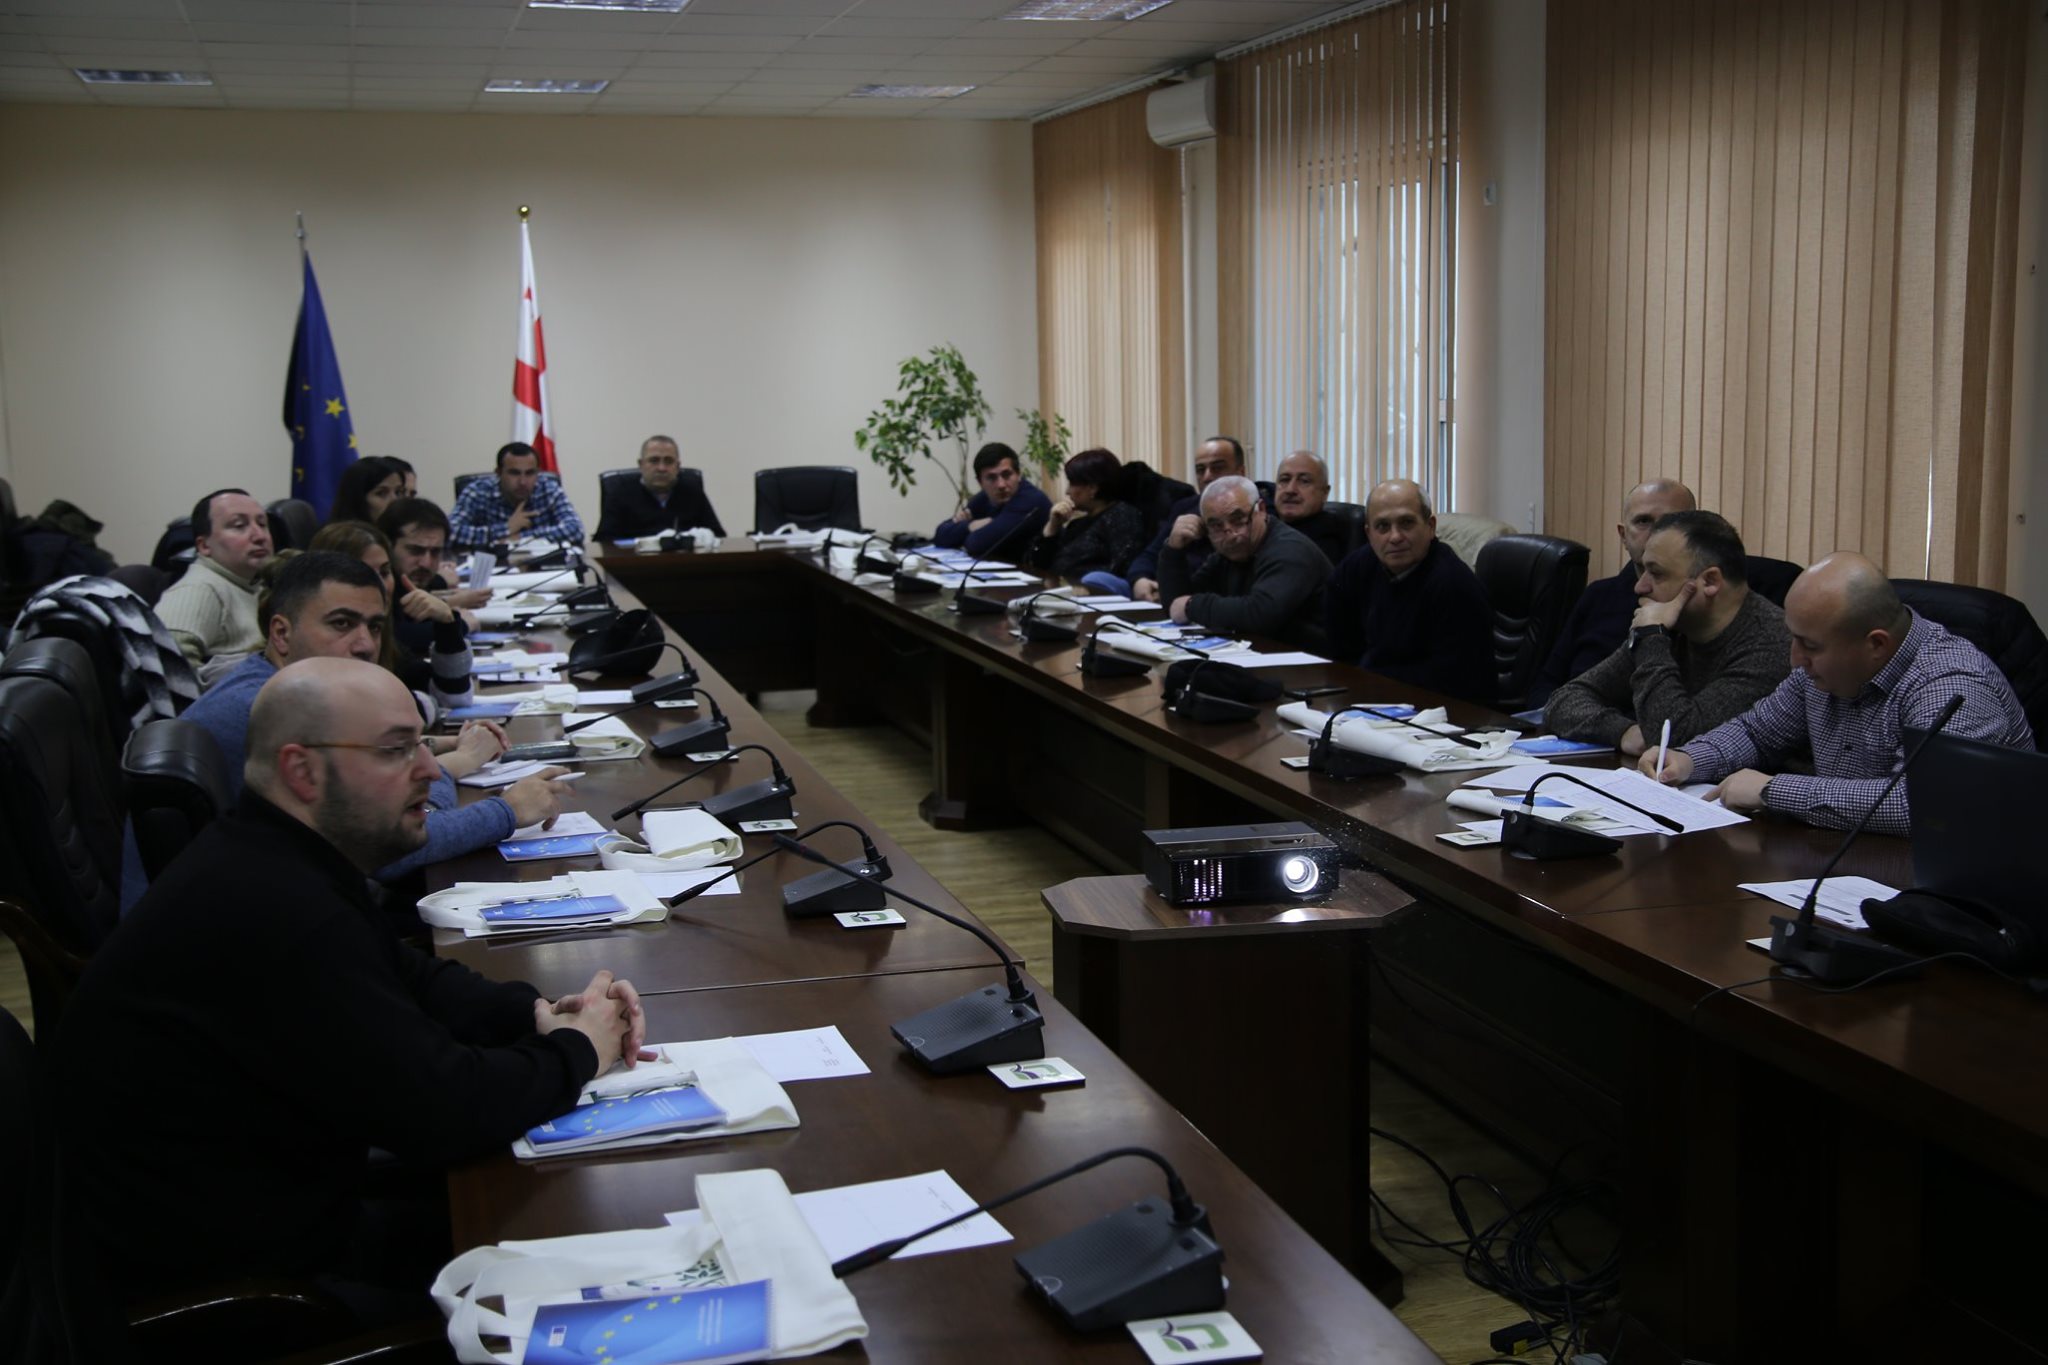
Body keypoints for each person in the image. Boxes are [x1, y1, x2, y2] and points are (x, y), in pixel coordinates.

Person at [55, 656, 643, 1316]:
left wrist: (535, 1011)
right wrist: (578, 1050)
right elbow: (446, 1110)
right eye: (397, 750)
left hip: (284, 1205)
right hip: (252, 1298)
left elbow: (407, 973)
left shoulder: (273, 851)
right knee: (596, 1263)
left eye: (422, 743)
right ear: (302, 771)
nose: (431, 769)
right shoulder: (279, 914)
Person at [181, 552, 566, 884]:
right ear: (281, 633)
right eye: (342, 624)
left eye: (375, 626)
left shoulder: (282, 685)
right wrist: (507, 811)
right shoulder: (270, 710)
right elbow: (390, 846)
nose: (366, 644)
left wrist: (438, 758)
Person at [1642, 553, 2033, 832]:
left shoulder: (1949, 686)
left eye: (1809, 646)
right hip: (1845, 863)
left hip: (1955, 889)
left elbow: (1921, 805)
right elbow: (1757, 731)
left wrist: (1773, 790)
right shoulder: (1822, 668)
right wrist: (1690, 759)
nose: (1796, 660)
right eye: (1795, 639)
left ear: (1876, 644)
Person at [1545, 511, 1790, 755]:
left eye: (1657, 573)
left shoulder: (1772, 644)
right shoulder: (1671, 626)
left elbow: (1676, 742)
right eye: (1642, 570)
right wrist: (1622, 731)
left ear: (1710, 581)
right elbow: (1563, 700)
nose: (1639, 586)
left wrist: (1651, 636)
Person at [1325, 479, 1496, 703]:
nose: (1395, 537)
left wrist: (1368, 678)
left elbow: (1456, 683)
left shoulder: (1454, 585)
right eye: (1383, 526)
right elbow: (1339, 648)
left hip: (1443, 712)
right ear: (1368, 533)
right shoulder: (1356, 568)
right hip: (1373, 699)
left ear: (1430, 526)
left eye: (1406, 523)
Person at [1530, 479, 1697, 705]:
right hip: (1567, 720)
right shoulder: (1598, 595)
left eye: (1671, 522)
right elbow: (1547, 684)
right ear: (1623, 535)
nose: (1657, 533)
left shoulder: (1698, 606)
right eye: (1643, 521)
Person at [310, 519, 474, 715]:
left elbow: (454, 698)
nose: (380, 584)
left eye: (385, 572)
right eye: (365, 573)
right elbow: (375, 715)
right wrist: (427, 705)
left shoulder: (382, 634)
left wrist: (447, 623)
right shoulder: (331, 642)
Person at [1158, 475, 1330, 646]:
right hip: (1263, 650)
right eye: (1217, 526)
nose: (1231, 535)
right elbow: (1176, 606)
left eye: (1238, 520)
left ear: (1261, 510)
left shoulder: (1290, 549)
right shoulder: (1228, 553)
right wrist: (1173, 549)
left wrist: (1193, 606)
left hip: (1316, 657)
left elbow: (1261, 614)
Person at [155, 488, 275, 685]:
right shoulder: (197, 590)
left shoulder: (254, 584)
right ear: (204, 546)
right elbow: (168, 669)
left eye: (262, 524)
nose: (259, 535)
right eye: (239, 526)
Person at [1129, 436, 1253, 602]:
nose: (1207, 477)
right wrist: (1140, 579)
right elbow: (1150, 555)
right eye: (1200, 470)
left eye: (1217, 468)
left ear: (1241, 473)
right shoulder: (1185, 507)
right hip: (1169, 596)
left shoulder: (1254, 510)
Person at [1029, 447, 1149, 581]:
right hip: (1060, 589)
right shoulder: (1077, 524)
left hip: (1094, 590)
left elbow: (1121, 568)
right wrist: (1053, 526)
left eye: (1072, 484)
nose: (1067, 492)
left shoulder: (1122, 516)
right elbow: (1038, 565)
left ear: (1092, 488)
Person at [930, 442, 1053, 563]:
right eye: (991, 478)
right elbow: (940, 535)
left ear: (1018, 475)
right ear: (980, 482)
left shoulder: (1031, 500)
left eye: (1006, 475)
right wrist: (970, 526)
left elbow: (975, 544)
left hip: (1040, 572)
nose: (1001, 485)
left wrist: (964, 531)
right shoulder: (986, 497)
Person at [448, 441, 585, 548]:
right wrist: (506, 528)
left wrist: (520, 537)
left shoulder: (548, 489)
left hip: (540, 568)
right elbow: (450, 532)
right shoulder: (478, 492)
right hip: (491, 568)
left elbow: (575, 529)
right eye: (514, 473)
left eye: (530, 473)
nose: (523, 482)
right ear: (498, 473)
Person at [594, 434, 727, 542]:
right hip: (636, 564)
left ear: (678, 466)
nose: (662, 468)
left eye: (668, 461)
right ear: (641, 464)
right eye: (654, 460)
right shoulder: (620, 494)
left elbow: (718, 536)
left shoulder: (693, 492)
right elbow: (603, 542)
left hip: (686, 563)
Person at [380, 496, 493, 613]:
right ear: (387, 547)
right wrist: (449, 605)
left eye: (435, 552)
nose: (426, 563)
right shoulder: (378, 591)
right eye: (416, 551)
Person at [1272, 450, 1352, 565]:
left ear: (1325, 492)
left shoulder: (1328, 540)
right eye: (1285, 480)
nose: (1290, 489)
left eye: (1304, 481)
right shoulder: (1263, 524)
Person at [327, 456, 408, 528]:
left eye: (398, 492)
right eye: (382, 493)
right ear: (357, 499)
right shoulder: (340, 538)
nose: (394, 500)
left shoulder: (404, 535)